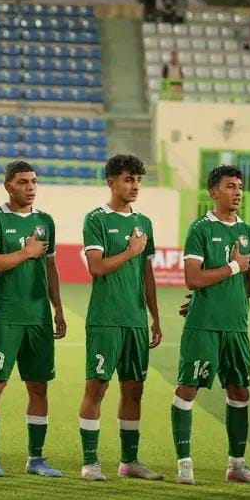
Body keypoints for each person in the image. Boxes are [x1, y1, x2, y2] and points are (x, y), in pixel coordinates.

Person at [171, 165, 250, 486]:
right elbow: (192, 278)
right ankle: (184, 464)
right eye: (230, 186)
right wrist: (232, 268)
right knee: (188, 388)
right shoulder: (200, 229)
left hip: (236, 326)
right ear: (213, 192)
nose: (237, 191)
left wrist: (222, 292)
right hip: (204, 326)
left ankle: (237, 466)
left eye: (240, 186)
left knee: (239, 391)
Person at [0, 161, 66, 478]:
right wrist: (26, 252)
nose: (31, 187)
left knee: (39, 387)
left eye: (34, 181)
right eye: (23, 181)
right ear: (8, 186)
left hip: (38, 317)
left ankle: (36, 459)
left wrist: (58, 308)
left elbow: (50, 268)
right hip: (6, 315)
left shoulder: (45, 221)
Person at [77, 154, 162, 482]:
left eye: (138, 180)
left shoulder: (145, 223)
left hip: (135, 320)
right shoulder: (96, 219)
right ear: (111, 182)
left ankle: (129, 462)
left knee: (134, 390)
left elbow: (147, 273)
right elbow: (96, 267)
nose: (135, 185)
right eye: (128, 179)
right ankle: (90, 462)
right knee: (97, 387)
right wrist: (130, 251)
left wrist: (154, 316)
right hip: (106, 318)